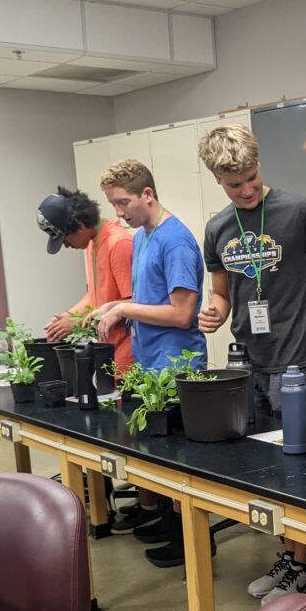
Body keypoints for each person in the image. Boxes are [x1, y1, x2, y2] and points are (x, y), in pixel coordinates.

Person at [196, 124, 306, 605]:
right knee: (266, 471)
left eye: (252, 178)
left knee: (298, 471)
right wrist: (213, 312)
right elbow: (220, 292)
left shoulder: (299, 212)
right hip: (247, 363)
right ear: (219, 181)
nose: (248, 190)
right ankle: (291, 556)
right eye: (236, 185)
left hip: (296, 361)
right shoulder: (217, 228)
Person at [94, 158, 208, 568]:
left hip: (175, 364)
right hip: (149, 362)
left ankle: (194, 543)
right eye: (114, 205)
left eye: (124, 202)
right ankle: (168, 522)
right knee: (155, 454)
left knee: (178, 461)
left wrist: (125, 308)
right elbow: (148, 300)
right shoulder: (143, 235)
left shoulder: (175, 241)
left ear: (148, 194)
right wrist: (114, 305)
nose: (119, 213)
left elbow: (181, 314)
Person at [36, 185, 134, 371]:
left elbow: (135, 301)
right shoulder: (91, 243)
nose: (66, 245)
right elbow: (95, 293)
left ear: (80, 226)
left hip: (126, 354)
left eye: (65, 239)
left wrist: (78, 321)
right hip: (106, 350)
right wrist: (69, 317)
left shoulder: (118, 244)